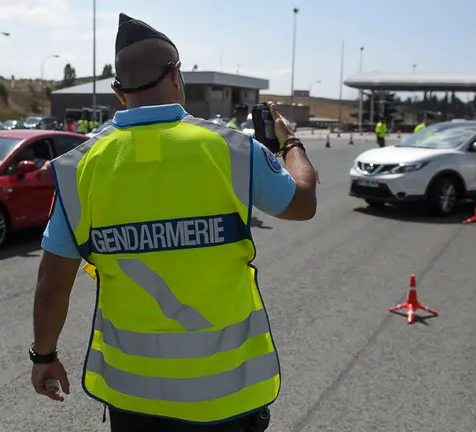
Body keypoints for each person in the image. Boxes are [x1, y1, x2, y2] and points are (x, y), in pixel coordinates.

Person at [30, 12, 318, 432]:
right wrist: (289, 142)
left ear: (117, 92)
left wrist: (44, 356)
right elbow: (303, 201)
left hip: (136, 398)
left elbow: (52, 283)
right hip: (228, 394)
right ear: (177, 75)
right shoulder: (232, 149)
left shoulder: (79, 169)